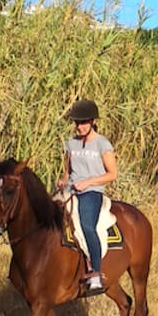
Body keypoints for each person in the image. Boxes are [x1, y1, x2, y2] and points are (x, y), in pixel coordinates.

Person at [58, 99, 118, 296]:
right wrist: (63, 181)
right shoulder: (71, 144)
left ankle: (96, 273)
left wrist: (89, 183)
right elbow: (68, 172)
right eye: (77, 122)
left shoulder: (102, 144)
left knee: (87, 225)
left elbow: (112, 174)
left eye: (83, 122)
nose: (80, 126)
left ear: (93, 122)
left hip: (92, 192)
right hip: (71, 190)